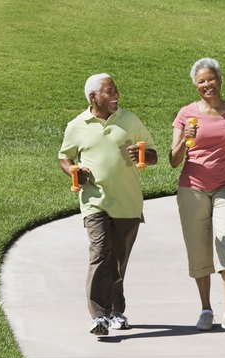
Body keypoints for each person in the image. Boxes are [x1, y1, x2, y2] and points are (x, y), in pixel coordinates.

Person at [58, 73, 158, 336]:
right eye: (109, 91)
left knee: (118, 260)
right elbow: (64, 158)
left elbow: (153, 155)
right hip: (95, 202)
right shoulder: (77, 125)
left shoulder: (130, 120)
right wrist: (73, 171)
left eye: (116, 90)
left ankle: (116, 311)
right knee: (100, 252)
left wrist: (142, 154)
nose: (116, 95)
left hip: (128, 202)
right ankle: (98, 315)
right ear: (94, 97)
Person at [169, 58, 225, 336]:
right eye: (201, 81)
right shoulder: (186, 114)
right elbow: (173, 160)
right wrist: (184, 138)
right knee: (198, 247)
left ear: (220, 79)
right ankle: (206, 310)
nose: (207, 85)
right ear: (196, 85)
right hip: (192, 187)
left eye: (211, 79)